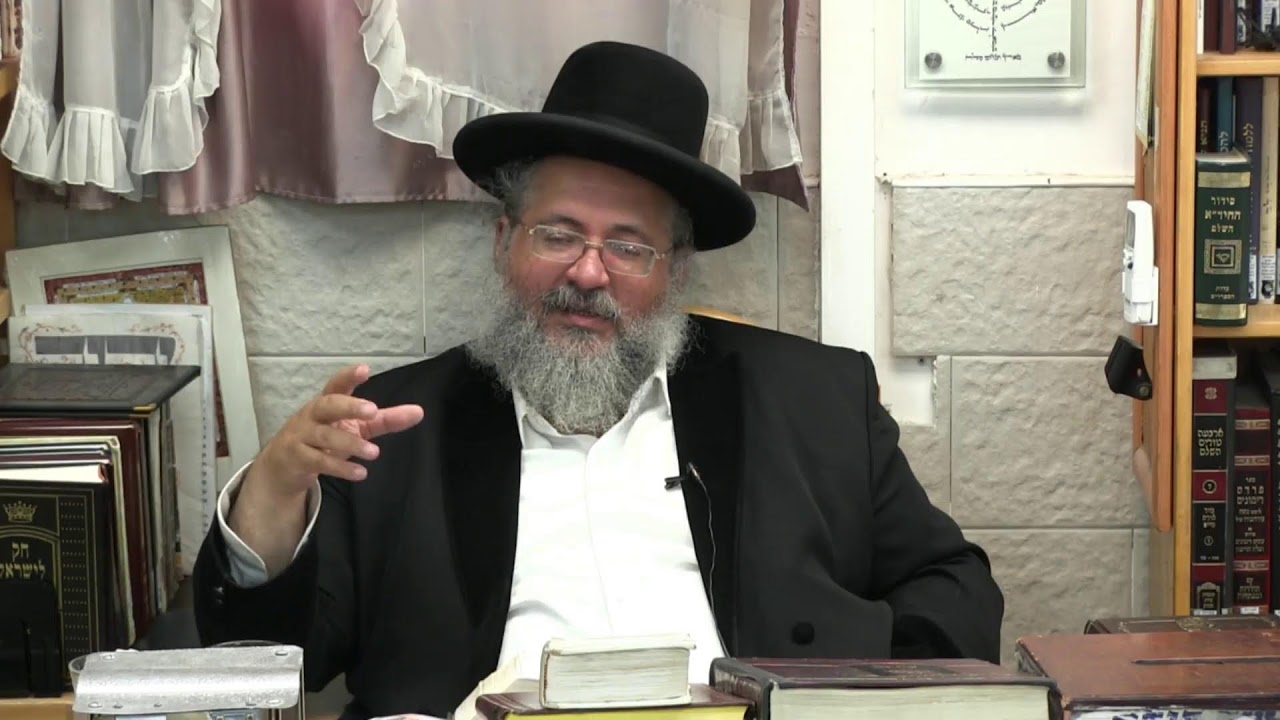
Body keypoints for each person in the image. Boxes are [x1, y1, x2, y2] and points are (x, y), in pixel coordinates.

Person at [191, 40, 1003, 720]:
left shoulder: (815, 401)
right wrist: (271, 498)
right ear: (504, 242)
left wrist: (854, 704)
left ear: (674, 271)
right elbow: (271, 661)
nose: (588, 272)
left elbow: (957, 591)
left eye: (628, 246)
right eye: (558, 234)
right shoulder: (395, 424)